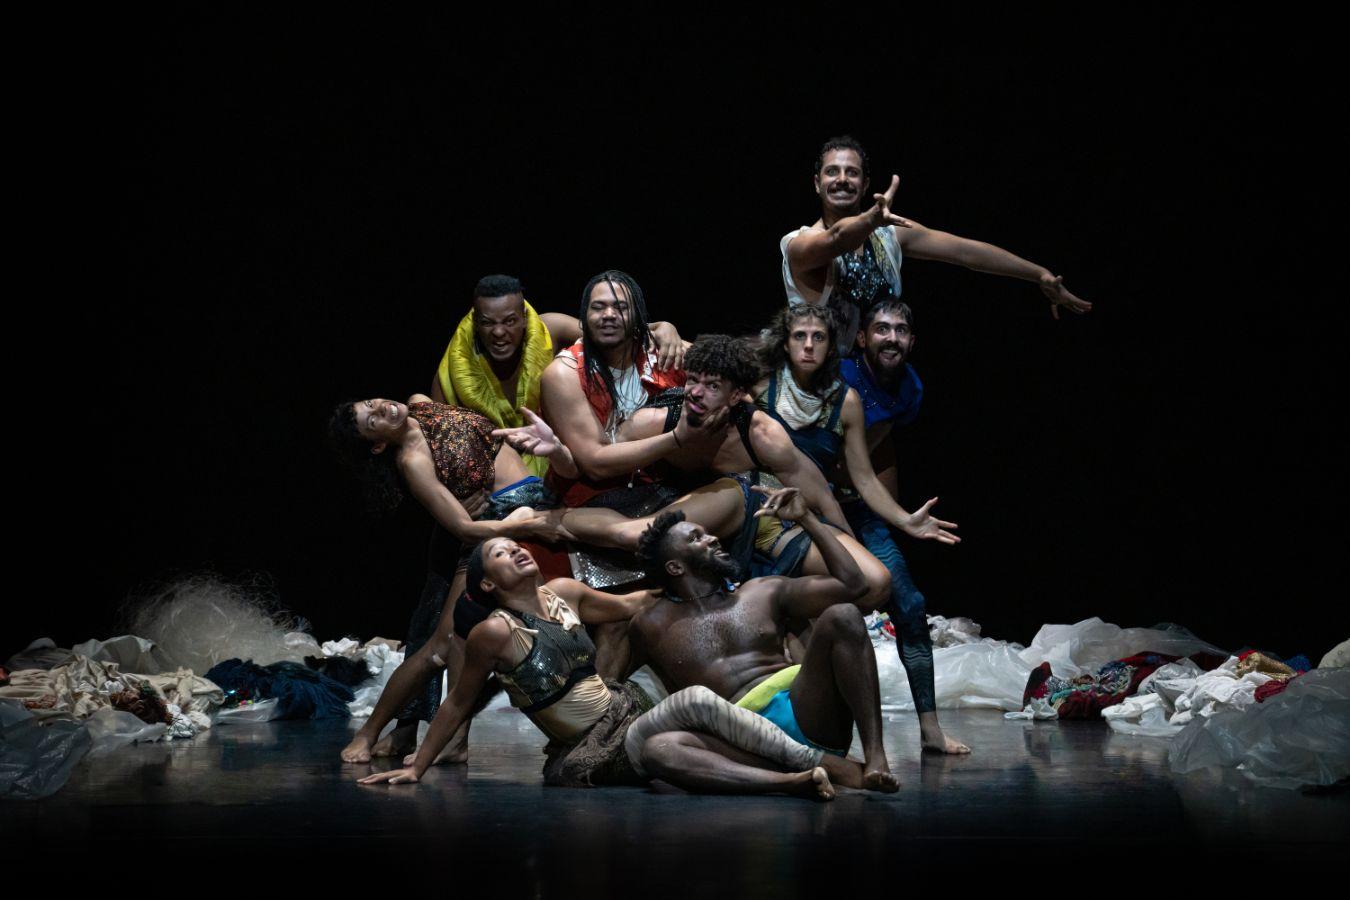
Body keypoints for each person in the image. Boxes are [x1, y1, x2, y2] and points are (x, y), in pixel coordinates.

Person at [357, 537, 875, 800]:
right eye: (498, 552)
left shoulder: (561, 593)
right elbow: (458, 701)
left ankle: (808, 772)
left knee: (669, 747)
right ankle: (807, 773)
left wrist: (687, 578)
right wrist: (418, 766)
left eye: (514, 545)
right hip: (593, 750)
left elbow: (629, 608)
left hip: (629, 717)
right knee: (684, 720)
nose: (514, 549)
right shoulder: (495, 632)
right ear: (487, 584)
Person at [508, 334, 892, 607]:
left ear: (737, 395)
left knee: (876, 583)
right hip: (687, 509)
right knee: (642, 533)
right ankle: (547, 520)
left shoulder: (761, 432)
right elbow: (600, 461)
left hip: (757, 513)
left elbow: (821, 496)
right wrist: (559, 452)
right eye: (693, 380)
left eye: (712, 385)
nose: (695, 392)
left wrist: (846, 541)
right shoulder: (659, 418)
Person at [757, 303, 968, 754]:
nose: (892, 338)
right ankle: (804, 730)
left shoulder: (886, 392)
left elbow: (869, 469)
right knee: (807, 611)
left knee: (906, 600)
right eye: (881, 329)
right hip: (780, 509)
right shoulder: (778, 381)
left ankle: (928, 731)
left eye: (901, 330)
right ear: (860, 340)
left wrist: (903, 518)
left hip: (849, 508)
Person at [328, 394, 570, 764]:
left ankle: (448, 739)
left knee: (455, 639)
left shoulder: (421, 404)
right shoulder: (412, 461)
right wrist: (522, 523)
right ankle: (371, 732)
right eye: (373, 420)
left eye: (374, 403)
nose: (382, 409)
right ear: (378, 444)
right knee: (441, 644)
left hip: (531, 504)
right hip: (499, 525)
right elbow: (462, 526)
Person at [623, 489, 900, 791]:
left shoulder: (763, 591)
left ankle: (875, 758)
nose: (712, 538)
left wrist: (807, 518)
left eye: (706, 533)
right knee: (659, 750)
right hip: (739, 743)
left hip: (807, 713)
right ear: (675, 567)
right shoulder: (649, 625)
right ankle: (794, 781)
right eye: (695, 538)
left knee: (843, 615)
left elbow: (855, 585)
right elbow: (610, 684)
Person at [782, 135, 1093, 351]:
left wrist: (1038, 274)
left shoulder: (888, 233)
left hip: (881, 385)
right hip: (821, 394)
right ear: (816, 184)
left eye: (852, 173)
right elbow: (836, 238)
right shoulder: (799, 243)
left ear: (864, 184)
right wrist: (870, 220)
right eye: (832, 172)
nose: (842, 179)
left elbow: (964, 251)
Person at [430, 274, 686, 478]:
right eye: (488, 323)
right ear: (475, 323)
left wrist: (664, 327)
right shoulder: (456, 366)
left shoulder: (548, 328)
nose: (498, 332)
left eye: (509, 321)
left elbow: (609, 329)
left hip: (557, 454)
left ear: (525, 317)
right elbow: (442, 443)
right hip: (493, 471)